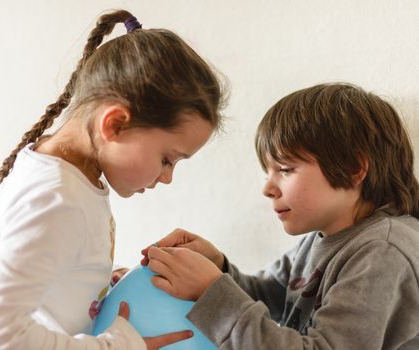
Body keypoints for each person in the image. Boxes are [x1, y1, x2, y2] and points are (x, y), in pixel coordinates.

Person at [0, 9, 225, 350]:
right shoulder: (55, 200)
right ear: (114, 124)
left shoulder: (71, 180)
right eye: (167, 159)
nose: (167, 177)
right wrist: (119, 345)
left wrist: (97, 285)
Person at [143, 83, 419, 349]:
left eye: (285, 170)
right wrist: (219, 268)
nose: (268, 189)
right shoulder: (322, 238)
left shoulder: (382, 252)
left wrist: (212, 292)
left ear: (354, 169)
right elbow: (268, 295)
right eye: (268, 172)